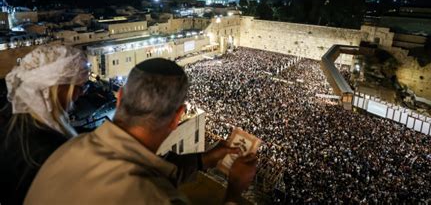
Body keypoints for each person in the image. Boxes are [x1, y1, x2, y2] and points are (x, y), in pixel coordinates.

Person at [25, 58, 258, 204]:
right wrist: (234, 192)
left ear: (119, 98)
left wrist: (205, 158)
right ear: (178, 117)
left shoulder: (69, 147)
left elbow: (148, 170)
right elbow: (146, 183)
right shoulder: (158, 198)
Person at [0, 45, 90, 205]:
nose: (81, 94)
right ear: (58, 88)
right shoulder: (50, 150)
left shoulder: (10, 121)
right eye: (80, 86)